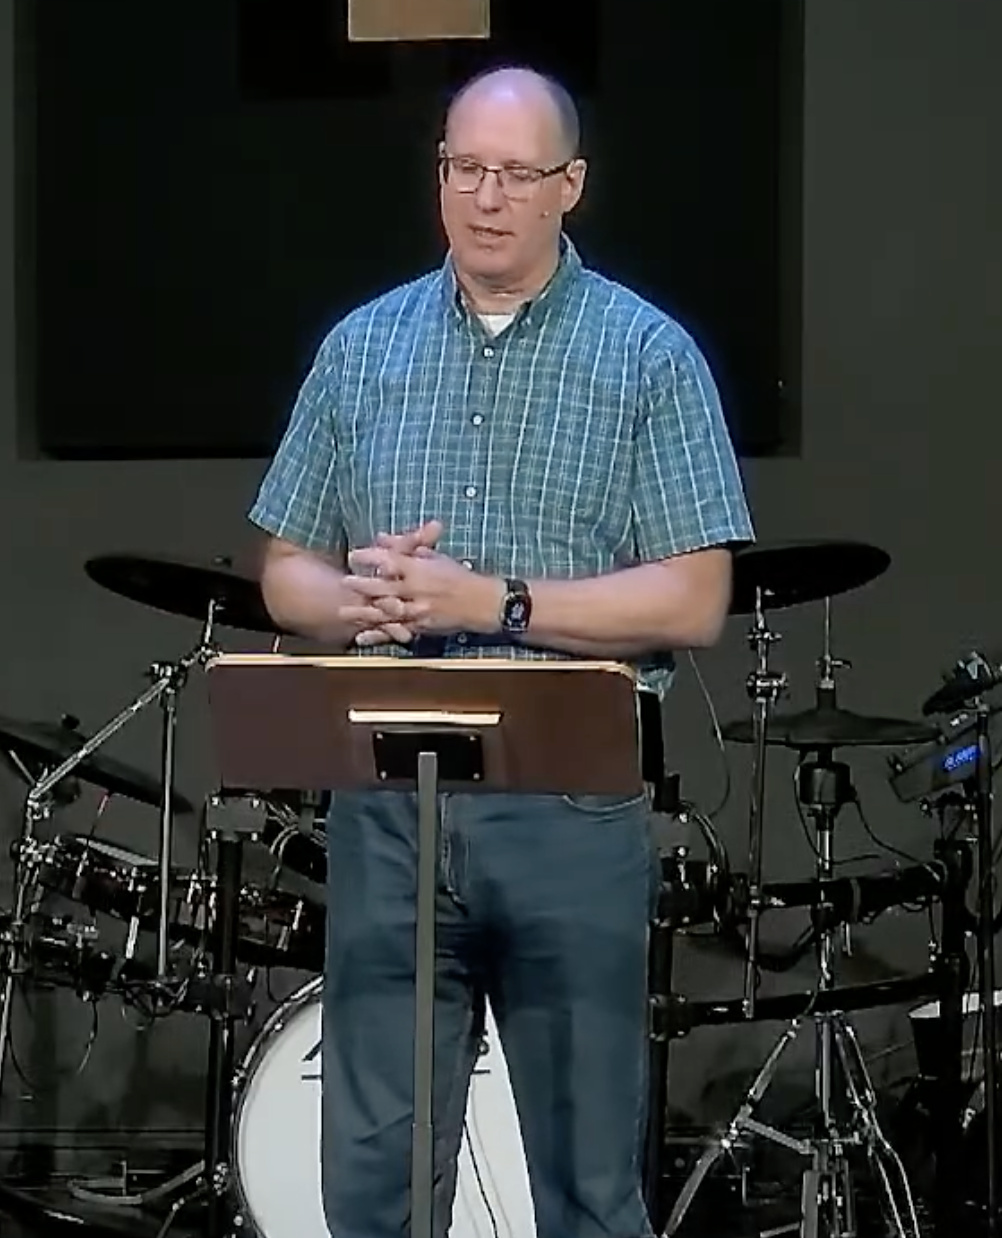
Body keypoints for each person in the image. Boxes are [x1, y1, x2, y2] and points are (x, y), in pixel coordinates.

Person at [247, 65, 755, 1238]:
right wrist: (356, 598)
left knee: (584, 1174)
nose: (485, 197)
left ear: (568, 185)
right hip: (388, 805)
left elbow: (693, 597)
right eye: (463, 168)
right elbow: (283, 569)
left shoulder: (646, 354)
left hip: (564, 807)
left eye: (515, 174)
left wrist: (491, 600)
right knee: (373, 1175)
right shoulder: (361, 346)